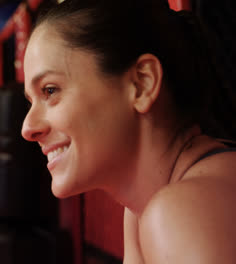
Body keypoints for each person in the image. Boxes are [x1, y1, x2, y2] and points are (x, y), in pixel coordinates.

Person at [21, 0, 236, 263]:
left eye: (50, 90)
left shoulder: (181, 212)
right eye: (31, 101)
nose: (27, 128)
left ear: (142, 84)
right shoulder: (140, 211)